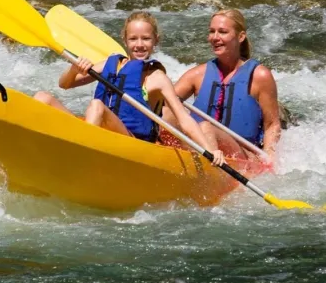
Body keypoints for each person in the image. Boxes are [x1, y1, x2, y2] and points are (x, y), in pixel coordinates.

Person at [34, 11, 225, 166]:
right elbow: (64, 84)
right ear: (125, 40)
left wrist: (210, 149)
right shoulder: (110, 64)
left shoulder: (157, 77)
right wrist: (74, 68)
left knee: (96, 106)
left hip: (132, 143)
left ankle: (80, 159)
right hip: (98, 133)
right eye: (133, 39)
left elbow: (183, 118)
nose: (139, 45)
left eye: (146, 39)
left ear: (155, 41)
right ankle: (39, 150)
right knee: (43, 98)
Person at [165, 9, 281, 167]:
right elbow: (164, 106)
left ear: (240, 37)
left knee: (206, 126)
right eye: (212, 32)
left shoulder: (259, 76)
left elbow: (272, 124)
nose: (215, 37)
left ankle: (208, 168)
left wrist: (269, 158)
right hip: (200, 147)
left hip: (242, 155)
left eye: (223, 32)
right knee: (166, 112)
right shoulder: (196, 74)